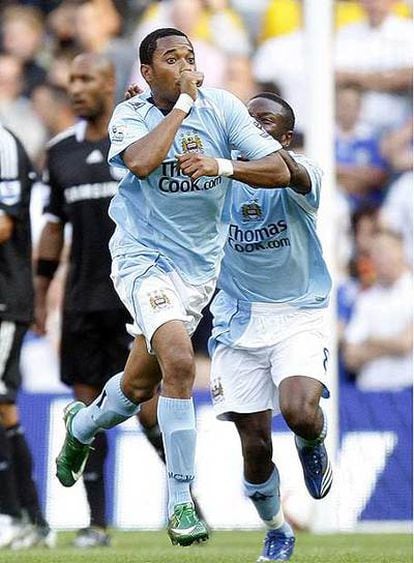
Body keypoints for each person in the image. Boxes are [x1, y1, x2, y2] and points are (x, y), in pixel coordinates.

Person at [54, 27, 291, 547]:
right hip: (143, 258)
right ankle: (181, 500)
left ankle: (82, 427)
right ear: (146, 73)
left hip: (199, 269)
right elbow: (139, 163)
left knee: (137, 384)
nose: (184, 65)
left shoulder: (224, 109)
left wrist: (224, 164)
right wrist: (181, 106)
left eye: (189, 56)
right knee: (180, 363)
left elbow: (279, 167)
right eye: (171, 58)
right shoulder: (132, 115)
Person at [34, 52, 161, 548]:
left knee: (149, 410)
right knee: (86, 412)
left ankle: (185, 501)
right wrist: (42, 296)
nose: (77, 88)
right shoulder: (60, 152)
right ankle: (96, 524)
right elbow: (52, 228)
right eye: (72, 79)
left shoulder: (138, 141)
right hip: (83, 303)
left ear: (111, 83)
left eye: (87, 78)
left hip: (135, 299)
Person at [209, 93, 333, 561]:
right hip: (238, 321)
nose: (254, 130)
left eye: (266, 125)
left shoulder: (303, 175)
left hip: (298, 313)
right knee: (255, 445)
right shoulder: (217, 183)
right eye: (247, 122)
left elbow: (284, 172)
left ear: (285, 137)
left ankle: (312, 438)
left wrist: (224, 165)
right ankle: (277, 529)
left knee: (299, 410)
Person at [0, 124, 55, 549]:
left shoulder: (3, 143)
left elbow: (4, 223)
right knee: (5, 410)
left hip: (4, 296)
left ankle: (9, 516)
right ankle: (32, 520)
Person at [343, 229, 412, 392]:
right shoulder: (365, 300)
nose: (380, 258)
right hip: (369, 396)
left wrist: (369, 340)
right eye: (375, 253)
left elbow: (404, 344)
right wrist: (391, 345)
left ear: (401, 251)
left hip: (407, 392)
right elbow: (350, 358)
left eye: (385, 251)